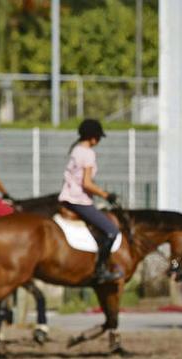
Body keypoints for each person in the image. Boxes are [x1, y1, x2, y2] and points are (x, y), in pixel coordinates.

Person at [58, 119, 123, 283]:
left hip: (67, 196)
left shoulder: (76, 150)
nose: (98, 141)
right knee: (112, 231)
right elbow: (86, 183)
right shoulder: (88, 153)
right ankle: (100, 269)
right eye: (98, 137)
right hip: (78, 199)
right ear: (93, 137)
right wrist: (106, 195)